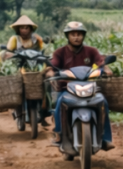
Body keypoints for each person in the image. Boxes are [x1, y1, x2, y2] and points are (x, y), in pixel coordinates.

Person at [49, 21, 114, 150]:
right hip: (66, 88)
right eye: (73, 34)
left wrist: (106, 69)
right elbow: (52, 67)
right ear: (67, 36)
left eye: (79, 34)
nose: (76, 37)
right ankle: (59, 134)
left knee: (103, 103)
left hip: (89, 87)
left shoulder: (91, 51)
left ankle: (105, 138)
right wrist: (50, 73)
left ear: (83, 36)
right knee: (59, 104)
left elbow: (100, 63)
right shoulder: (60, 52)